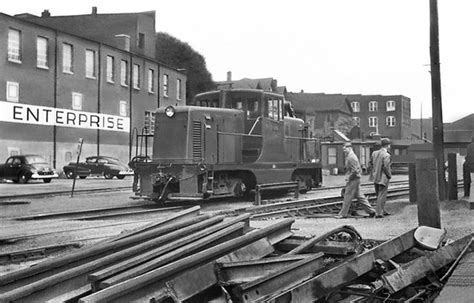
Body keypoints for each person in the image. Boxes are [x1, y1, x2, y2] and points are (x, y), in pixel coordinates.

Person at [335, 142, 376, 219]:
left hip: (353, 179)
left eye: (345, 149)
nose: (344, 150)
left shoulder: (351, 157)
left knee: (347, 196)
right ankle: (371, 211)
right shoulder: (351, 156)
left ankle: (343, 214)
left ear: (349, 148)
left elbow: (355, 171)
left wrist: (349, 178)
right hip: (355, 178)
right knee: (360, 196)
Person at [370, 138, 392, 218]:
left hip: (375, 176)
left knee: (378, 195)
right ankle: (379, 213)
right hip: (383, 177)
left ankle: (382, 210)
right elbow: (386, 167)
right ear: (388, 145)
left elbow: (371, 163)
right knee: (382, 195)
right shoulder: (386, 155)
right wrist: (389, 175)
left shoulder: (374, 153)